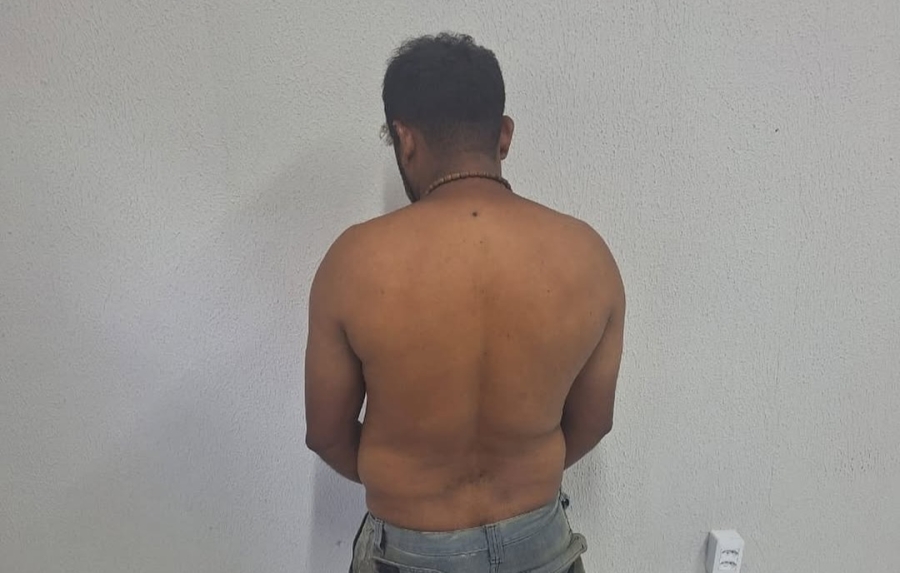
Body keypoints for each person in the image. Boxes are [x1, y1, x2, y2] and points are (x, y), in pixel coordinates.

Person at [305, 32, 625, 573]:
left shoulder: (354, 262)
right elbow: (594, 422)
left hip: (409, 552)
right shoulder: (588, 255)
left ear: (405, 138)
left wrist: (410, 483)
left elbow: (326, 434)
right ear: (504, 135)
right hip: (540, 544)